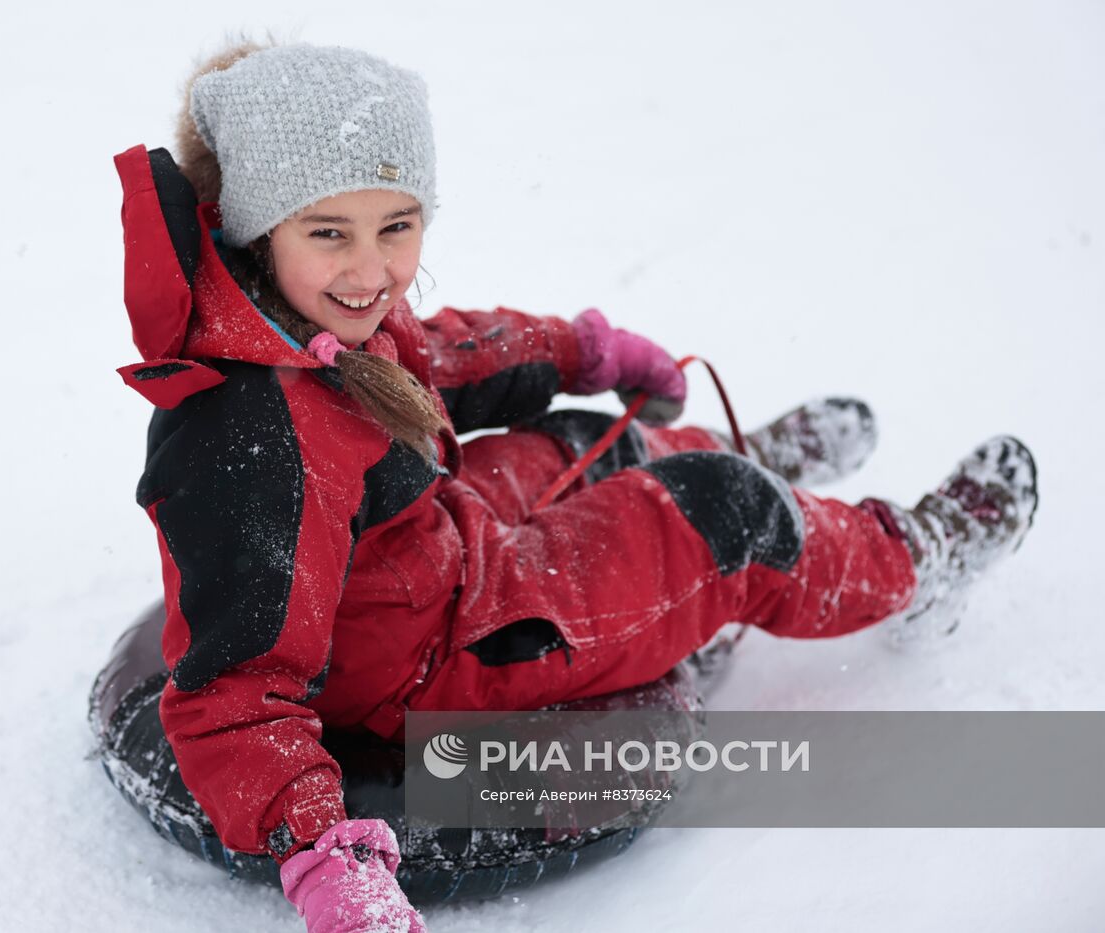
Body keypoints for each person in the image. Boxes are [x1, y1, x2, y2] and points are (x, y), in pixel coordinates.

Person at [113, 40, 1038, 933]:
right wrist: (328, 864)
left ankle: (743, 452)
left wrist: (580, 351)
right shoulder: (253, 438)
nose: (372, 272)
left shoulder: (311, 321)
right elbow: (234, 687)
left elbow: (438, 353)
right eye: (330, 234)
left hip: (434, 540)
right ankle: (914, 552)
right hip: (437, 665)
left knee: (579, 441)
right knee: (721, 515)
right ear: (258, 228)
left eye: (397, 226)